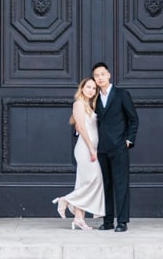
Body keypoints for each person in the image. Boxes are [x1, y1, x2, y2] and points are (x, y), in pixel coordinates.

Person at [91, 61, 138, 232]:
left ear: (109, 75)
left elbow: (133, 119)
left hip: (119, 147)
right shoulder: (94, 98)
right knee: (105, 185)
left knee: (121, 184)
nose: (100, 78)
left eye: (102, 74)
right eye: (96, 76)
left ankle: (122, 222)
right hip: (101, 148)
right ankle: (108, 220)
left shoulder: (121, 94)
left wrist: (129, 140)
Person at [52, 77, 104, 230]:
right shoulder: (79, 104)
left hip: (90, 148)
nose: (91, 90)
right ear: (82, 88)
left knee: (82, 182)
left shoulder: (89, 105)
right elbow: (81, 128)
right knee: (95, 179)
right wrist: (91, 148)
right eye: (88, 87)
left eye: (94, 88)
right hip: (85, 149)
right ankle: (66, 200)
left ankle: (79, 219)